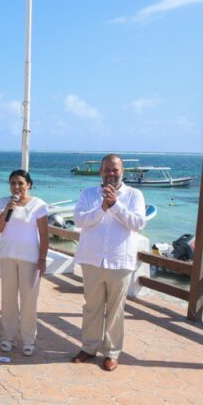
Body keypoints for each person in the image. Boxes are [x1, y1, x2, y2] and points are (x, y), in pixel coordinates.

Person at [71, 154, 146, 371]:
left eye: (115, 169)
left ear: (122, 171)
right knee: (91, 307)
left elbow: (138, 223)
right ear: (100, 171)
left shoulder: (134, 195)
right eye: (107, 170)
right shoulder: (88, 194)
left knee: (116, 310)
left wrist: (115, 206)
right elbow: (79, 220)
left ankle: (112, 352)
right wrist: (102, 208)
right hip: (92, 260)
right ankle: (89, 347)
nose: (111, 173)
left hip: (120, 261)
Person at [0, 169, 49, 356]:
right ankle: (8, 337)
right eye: (13, 183)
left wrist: (42, 259)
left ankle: (28, 339)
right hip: (7, 256)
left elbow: (44, 235)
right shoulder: (2, 203)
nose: (16, 187)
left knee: (28, 301)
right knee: (8, 299)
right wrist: (7, 209)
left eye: (20, 183)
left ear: (28, 185)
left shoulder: (38, 205)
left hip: (30, 259)